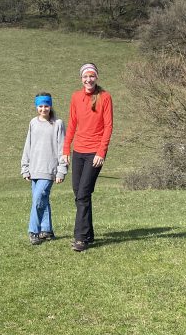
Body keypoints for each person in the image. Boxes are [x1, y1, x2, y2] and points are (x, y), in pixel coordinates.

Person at [63, 63, 113, 252]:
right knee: (79, 192)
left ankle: (81, 238)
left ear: (96, 77)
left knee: (83, 193)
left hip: (94, 153)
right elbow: (72, 124)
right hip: (79, 152)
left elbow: (108, 126)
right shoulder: (76, 97)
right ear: (81, 78)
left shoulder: (105, 97)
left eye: (92, 76)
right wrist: (66, 149)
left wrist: (101, 152)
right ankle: (89, 233)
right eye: (85, 76)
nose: (88, 79)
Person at [21, 93, 67, 245]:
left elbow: (63, 149)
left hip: (49, 169)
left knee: (37, 198)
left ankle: (33, 231)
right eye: (40, 106)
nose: (43, 109)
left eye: (46, 105)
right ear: (36, 107)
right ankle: (46, 229)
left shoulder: (58, 123)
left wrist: (61, 170)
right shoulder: (33, 123)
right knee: (42, 199)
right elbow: (28, 146)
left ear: (50, 106)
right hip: (34, 169)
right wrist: (25, 167)